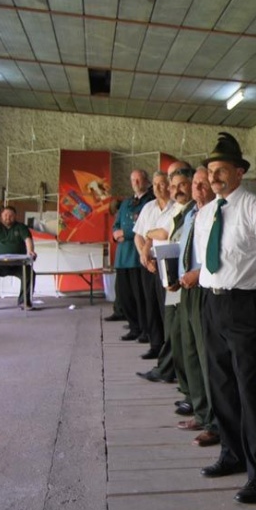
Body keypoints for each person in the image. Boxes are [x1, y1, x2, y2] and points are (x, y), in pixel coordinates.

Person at [194, 132, 256, 504]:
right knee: (220, 385)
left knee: (248, 391)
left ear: (239, 172)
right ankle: (231, 453)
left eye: (222, 170)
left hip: (245, 305)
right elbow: (206, 262)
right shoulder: (205, 213)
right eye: (211, 170)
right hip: (210, 302)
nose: (214, 177)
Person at [136, 163, 195, 385]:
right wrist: (147, 243)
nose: (174, 189)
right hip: (168, 272)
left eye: (181, 184)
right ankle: (169, 370)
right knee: (170, 326)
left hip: (184, 275)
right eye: (173, 185)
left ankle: (170, 372)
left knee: (177, 329)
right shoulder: (177, 209)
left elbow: (163, 233)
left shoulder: (191, 210)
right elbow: (155, 233)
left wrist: (149, 233)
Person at [174, 167, 220, 447]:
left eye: (204, 184)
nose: (198, 189)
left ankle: (215, 422)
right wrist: (176, 276)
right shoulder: (191, 214)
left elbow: (218, 257)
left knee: (206, 357)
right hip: (186, 287)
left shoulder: (216, 212)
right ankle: (201, 412)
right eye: (195, 184)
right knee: (189, 350)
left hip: (205, 287)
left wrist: (197, 274)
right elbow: (185, 251)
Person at [132, 170, 175, 359]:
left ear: (169, 185)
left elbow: (164, 234)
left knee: (166, 306)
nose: (157, 188)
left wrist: (148, 238)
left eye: (161, 183)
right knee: (151, 303)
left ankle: (169, 346)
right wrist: (144, 255)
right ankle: (155, 345)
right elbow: (138, 235)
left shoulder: (175, 207)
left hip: (167, 260)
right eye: (155, 184)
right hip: (149, 261)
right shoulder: (148, 207)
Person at [113, 169, 155, 336]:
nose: (136, 183)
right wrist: (115, 233)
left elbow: (146, 227)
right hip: (122, 256)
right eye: (133, 180)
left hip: (137, 255)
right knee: (125, 295)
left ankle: (145, 329)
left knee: (140, 297)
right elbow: (117, 223)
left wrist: (126, 233)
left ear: (146, 181)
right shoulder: (126, 202)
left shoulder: (150, 202)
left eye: (139, 180)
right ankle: (133, 326)